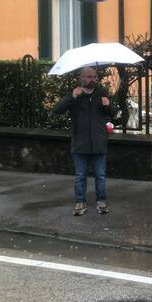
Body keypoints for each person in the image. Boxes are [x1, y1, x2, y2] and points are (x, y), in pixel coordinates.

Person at [54, 67, 115, 216]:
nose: (92, 79)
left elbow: (112, 114)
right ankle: (80, 202)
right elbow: (57, 110)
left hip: (99, 142)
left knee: (100, 175)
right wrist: (72, 97)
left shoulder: (101, 93)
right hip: (80, 142)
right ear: (80, 78)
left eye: (94, 76)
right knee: (80, 175)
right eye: (88, 76)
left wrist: (108, 105)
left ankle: (101, 201)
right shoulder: (75, 94)